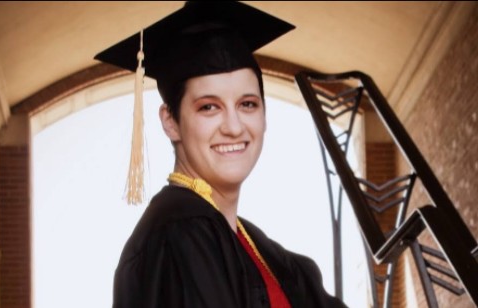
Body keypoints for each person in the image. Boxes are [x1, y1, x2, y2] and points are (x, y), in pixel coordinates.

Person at [95, 2, 346, 307]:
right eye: (209, 107)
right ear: (170, 121)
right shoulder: (182, 231)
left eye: (248, 104)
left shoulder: (259, 248)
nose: (233, 126)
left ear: (265, 116)